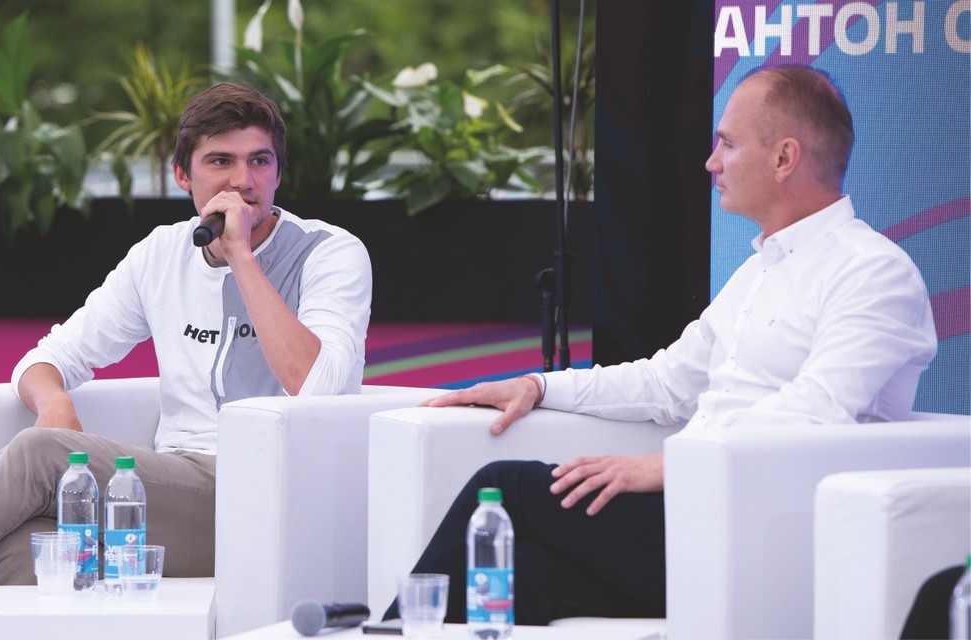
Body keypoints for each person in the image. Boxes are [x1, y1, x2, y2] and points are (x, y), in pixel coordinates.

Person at [385, 64, 938, 625]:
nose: (712, 163)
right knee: (523, 574)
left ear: (784, 158)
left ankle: (378, 633)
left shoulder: (872, 272)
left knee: (504, 488)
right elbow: (665, 381)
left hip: (762, 524)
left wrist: (668, 464)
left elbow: (819, 411)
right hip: (691, 511)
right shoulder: (759, 270)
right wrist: (538, 385)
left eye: (727, 144)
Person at [0, 82, 372, 584]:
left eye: (260, 161)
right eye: (220, 161)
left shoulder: (330, 252)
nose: (243, 180)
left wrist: (241, 256)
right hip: (174, 489)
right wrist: (54, 404)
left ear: (278, 172)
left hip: (277, 488)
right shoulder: (160, 253)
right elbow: (46, 358)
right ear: (183, 174)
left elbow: (319, 389)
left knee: (40, 455)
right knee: (19, 551)